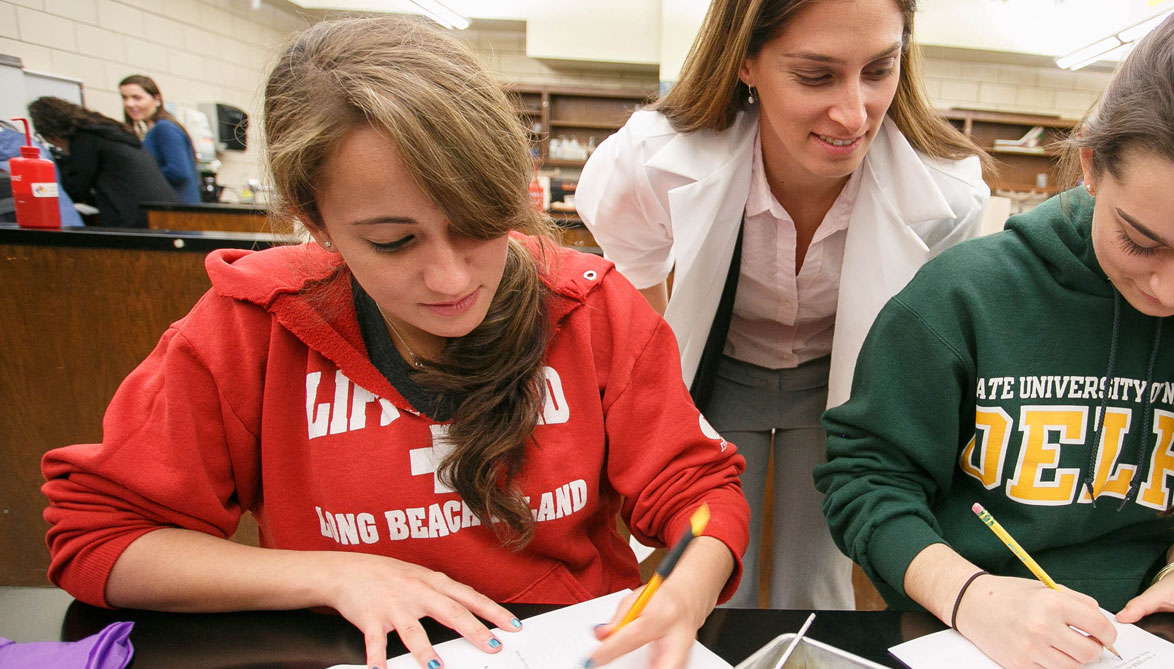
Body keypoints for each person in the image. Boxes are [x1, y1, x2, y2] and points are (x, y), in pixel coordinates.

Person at [40, 17, 748, 669]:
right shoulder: (251, 327)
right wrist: (333, 572)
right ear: (314, 220)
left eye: (481, 223)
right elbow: (98, 539)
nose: (449, 278)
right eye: (392, 241)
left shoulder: (589, 308)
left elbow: (703, 493)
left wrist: (687, 584)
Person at [815, 1, 1174, 668]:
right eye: (1142, 241)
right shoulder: (960, 299)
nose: (1171, 291)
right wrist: (971, 594)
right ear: (1090, 164)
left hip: (1146, 646)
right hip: (966, 639)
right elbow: (865, 481)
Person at [575, 0, 991, 611]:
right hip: (721, 373)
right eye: (815, 75)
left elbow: (917, 345)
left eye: (879, 70)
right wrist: (660, 419)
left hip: (839, 382)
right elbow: (640, 303)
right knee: (711, 568)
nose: (854, 114)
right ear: (746, 60)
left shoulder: (947, 193)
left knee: (818, 576)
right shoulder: (649, 161)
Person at [27, 96, 178, 228]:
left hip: (131, 216)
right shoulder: (106, 130)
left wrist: (59, 162)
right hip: (159, 211)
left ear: (50, 131)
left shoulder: (85, 139)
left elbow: (77, 187)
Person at [120, 74, 202, 204]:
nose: (129, 104)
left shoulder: (164, 128)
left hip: (177, 211)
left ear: (156, 100)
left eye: (137, 98)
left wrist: (138, 174)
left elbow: (179, 173)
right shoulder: (154, 130)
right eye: (125, 98)